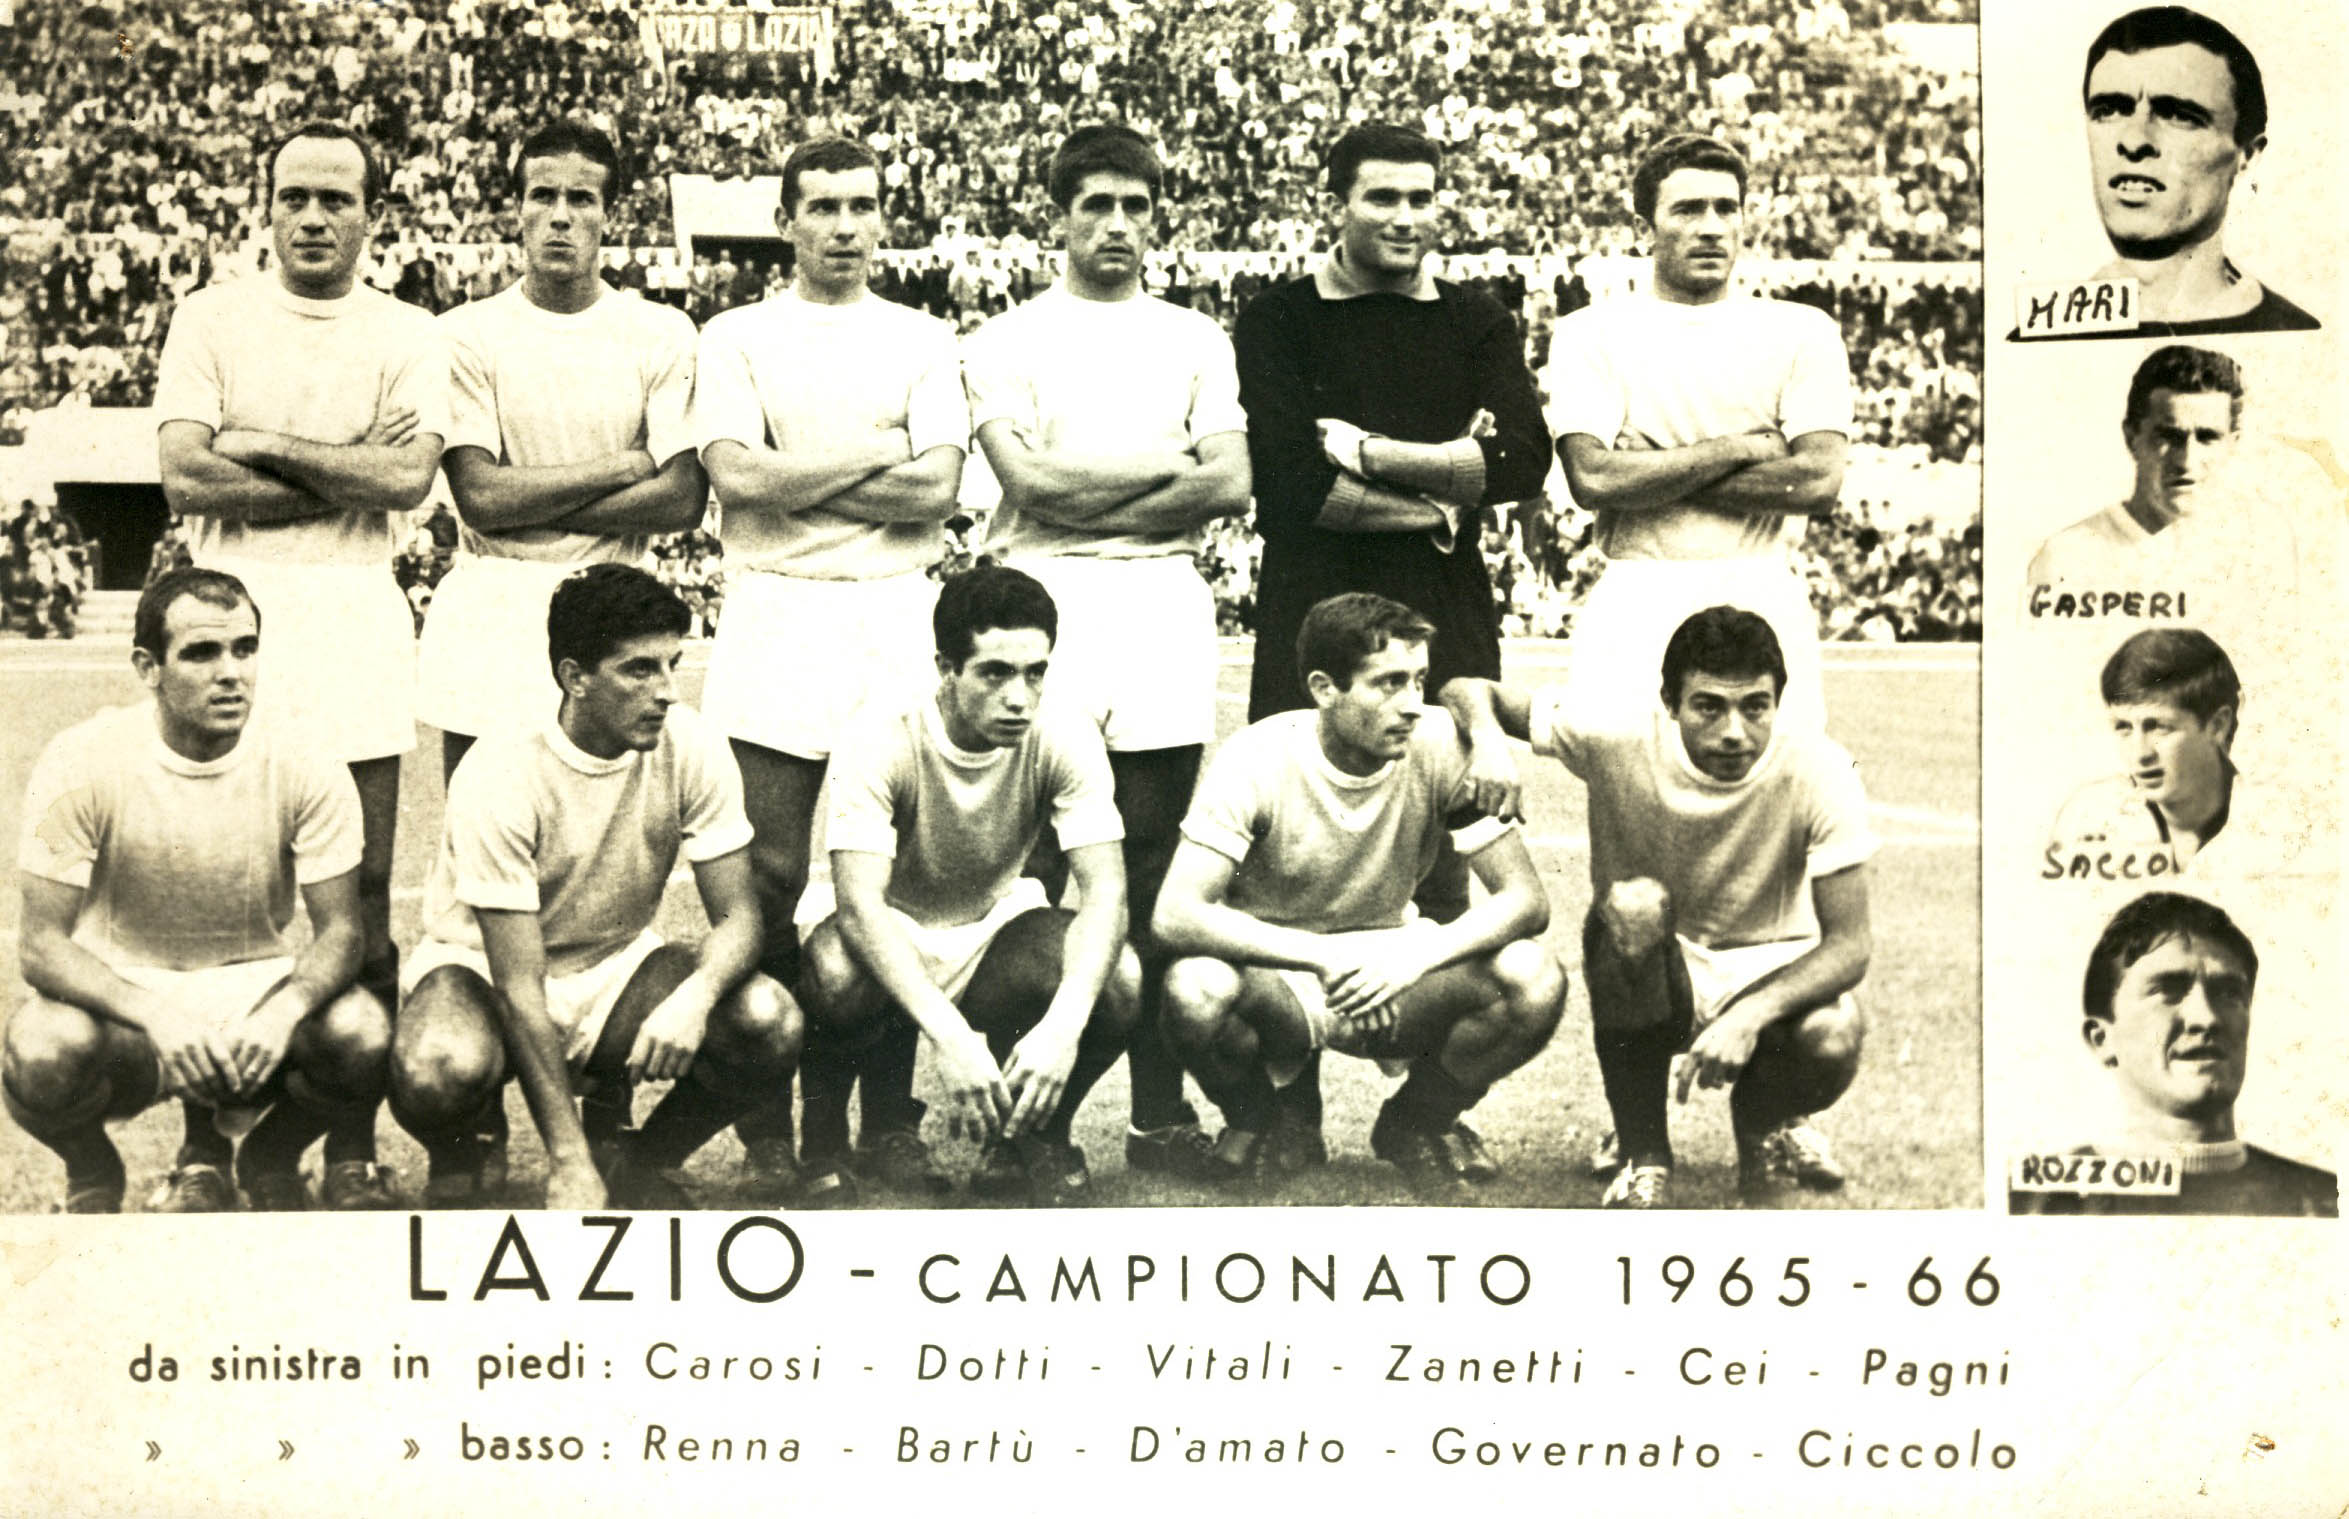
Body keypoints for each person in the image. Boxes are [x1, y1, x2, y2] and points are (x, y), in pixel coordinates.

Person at [1232, 122, 1548, 1176]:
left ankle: (1426, 1104)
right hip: (1310, 609)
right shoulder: (1279, 316)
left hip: (1445, 611)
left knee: (1453, 856)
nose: (1405, 217)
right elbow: (1293, 487)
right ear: (1336, 203)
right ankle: (1291, 1104)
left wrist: (1371, 452)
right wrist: (1447, 491)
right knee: (1288, 854)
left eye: (1421, 196)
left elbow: (1522, 464)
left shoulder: (1476, 317)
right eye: (1382, 197)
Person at [152, 121, 444, 1200]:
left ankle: (348, 1145)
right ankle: (201, 1147)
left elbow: (405, 480)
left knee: (359, 899)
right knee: (211, 891)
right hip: (229, 614)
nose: (313, 217)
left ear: (373, 214)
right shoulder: (211, 317)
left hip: (356, 619)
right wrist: (343, 471)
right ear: (266, 207)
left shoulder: (408, 332)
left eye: (336, 198)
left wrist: (264, 442)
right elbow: (186, 477)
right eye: (294, 197)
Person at [962, 125, 1252, 1184]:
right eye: (1097, 205)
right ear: (1061, 215)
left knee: (1154, 857)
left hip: (1164, 604)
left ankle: (1156, 1114)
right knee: (1042, 861)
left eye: (1136, 206)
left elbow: (1230, 484)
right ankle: (1026, 1118)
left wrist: (1089, 483)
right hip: (1049, 602)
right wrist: (1164, 468)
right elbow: (1029, 487)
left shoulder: (1194, 337)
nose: (1118, 225)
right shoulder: (1007, 339)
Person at [694, 137, 968, 1205]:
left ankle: (880, 1120)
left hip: (894, 614)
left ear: (883, 217)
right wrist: (876, 452)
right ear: (786, 222)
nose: (844, 226)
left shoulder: (922, 337)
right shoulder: (737, 335)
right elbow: (737, 479)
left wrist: (800, 478)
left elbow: (935, 491)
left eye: (861, 206)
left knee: (890, 877)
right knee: (764, 877)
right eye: (822, 207)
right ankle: (772, 1127)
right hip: (774, 611)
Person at [391, 564, 798, 1209]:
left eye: (671, 665)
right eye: (640, 670)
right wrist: (567, 1162)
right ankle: (468, 1143)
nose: (666, 691)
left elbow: (740, 917)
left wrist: (695, 999)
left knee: (766, 1021)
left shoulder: (690, 743)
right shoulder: (501, 769)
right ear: (574, 677)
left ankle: (640, 1161)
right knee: (436, 1067)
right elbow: (520, 984)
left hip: (614, 967)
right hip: (483, 971)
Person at [1444, 606, 1874, 1208]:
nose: (1734, 731)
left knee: (1834, 1033)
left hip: (1769, 966)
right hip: (1653, 956)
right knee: (1634, 905)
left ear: (1778, 702)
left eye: (1755, 707)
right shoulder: (1616, 733)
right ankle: (1643, 1154)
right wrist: (1490, 743)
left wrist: (1748, 1017)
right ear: (1670, 703)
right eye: (1709, 707)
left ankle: (1762, 1134)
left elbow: (1850, 946)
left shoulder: (1821, 768)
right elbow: (1466, 689)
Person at [1154, 593, 1565, 1202]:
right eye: (1388, 683)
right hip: (1280, 972)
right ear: (1324, 689)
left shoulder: (1438, 741)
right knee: (1194, 989)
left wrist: (1412, 959)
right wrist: (1324, 958)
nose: (1412, 704)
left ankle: (1417, 1122)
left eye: (1419, 680)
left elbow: (1526, 899)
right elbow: (1176, 913)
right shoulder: (1257, 757)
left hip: (1393, 961)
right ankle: (1261, 1119)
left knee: (1534, 978)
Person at [5, 569, 391, 1212]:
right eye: (202, 653)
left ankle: (271, 1155)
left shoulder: (305, 757)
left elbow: (343, 933)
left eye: (245, 648)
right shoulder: (80, 757)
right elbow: (41, 947)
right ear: (148, 667)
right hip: (126, 1006)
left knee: (361, 1030)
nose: (231, 673)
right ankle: (93, 1173)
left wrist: (282, 1012)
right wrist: (156, 1014)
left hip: (252, 991)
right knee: (42, 1050)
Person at [801, 564, 1140, 1205]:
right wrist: (952, 1038)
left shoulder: (1064, 731)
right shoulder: (881, 732)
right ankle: (824, 1141)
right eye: (995, 673)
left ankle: (1029, 1140)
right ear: (946, 668)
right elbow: (861, 907)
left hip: (989, 925)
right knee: (838, 975)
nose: (1019, 697)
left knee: (1117, 980)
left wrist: (1062, 1029)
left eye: (1035, 673)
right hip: (884, 923)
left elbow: (1105, 893)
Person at [423, 119, 706, 784]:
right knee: (483, 821)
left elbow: (681, 499)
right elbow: (481, 499)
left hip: (613, 613)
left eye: (581, 199)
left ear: (611, 214)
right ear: (516, 210)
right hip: (492, 607)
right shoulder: (464, 333)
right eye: (542, 196)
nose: (560, 216)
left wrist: (527, 501)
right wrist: (621, 467)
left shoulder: (660, 331)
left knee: (607, 827)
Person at [1543, 133, 1851, 738]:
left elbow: (1817, 482)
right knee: (1625, 771)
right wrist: (1741, 449)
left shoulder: (1801, 330)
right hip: (1639, 590)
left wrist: (1652, 472)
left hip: (1760, 586)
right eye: (1687, 210)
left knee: (1775, 776)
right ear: (1644, 229)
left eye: (1725, 208)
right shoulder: (1591, 333)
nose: (1711, 227)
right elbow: (1594, 479)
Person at [2010, 892, 2334, 1216]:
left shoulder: (2326, 1202)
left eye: (2228, 993)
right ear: (2102, 1040)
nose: (2206, 1018)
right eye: (2168, 990)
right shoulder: (2036, 1203)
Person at [2064, 6, 2318, 336]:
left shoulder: (2295, 332)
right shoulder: (2039, 335)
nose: (2134, 140)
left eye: (2179, 116)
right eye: (2108, 110)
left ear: (2247, 155)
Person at [2046, 628, 2307, 879]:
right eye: (2124, 727)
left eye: (2159, 727)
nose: (2140, 754)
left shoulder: (2281, 828)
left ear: (2218, 725)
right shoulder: (2088, 817)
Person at [2026, 344, 2253, 587]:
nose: (2186, 460)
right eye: (2169, 436)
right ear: (2132, 437)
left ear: (2232, 443)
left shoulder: (2254, 556)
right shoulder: (2068, 558)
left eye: (2208, 437)